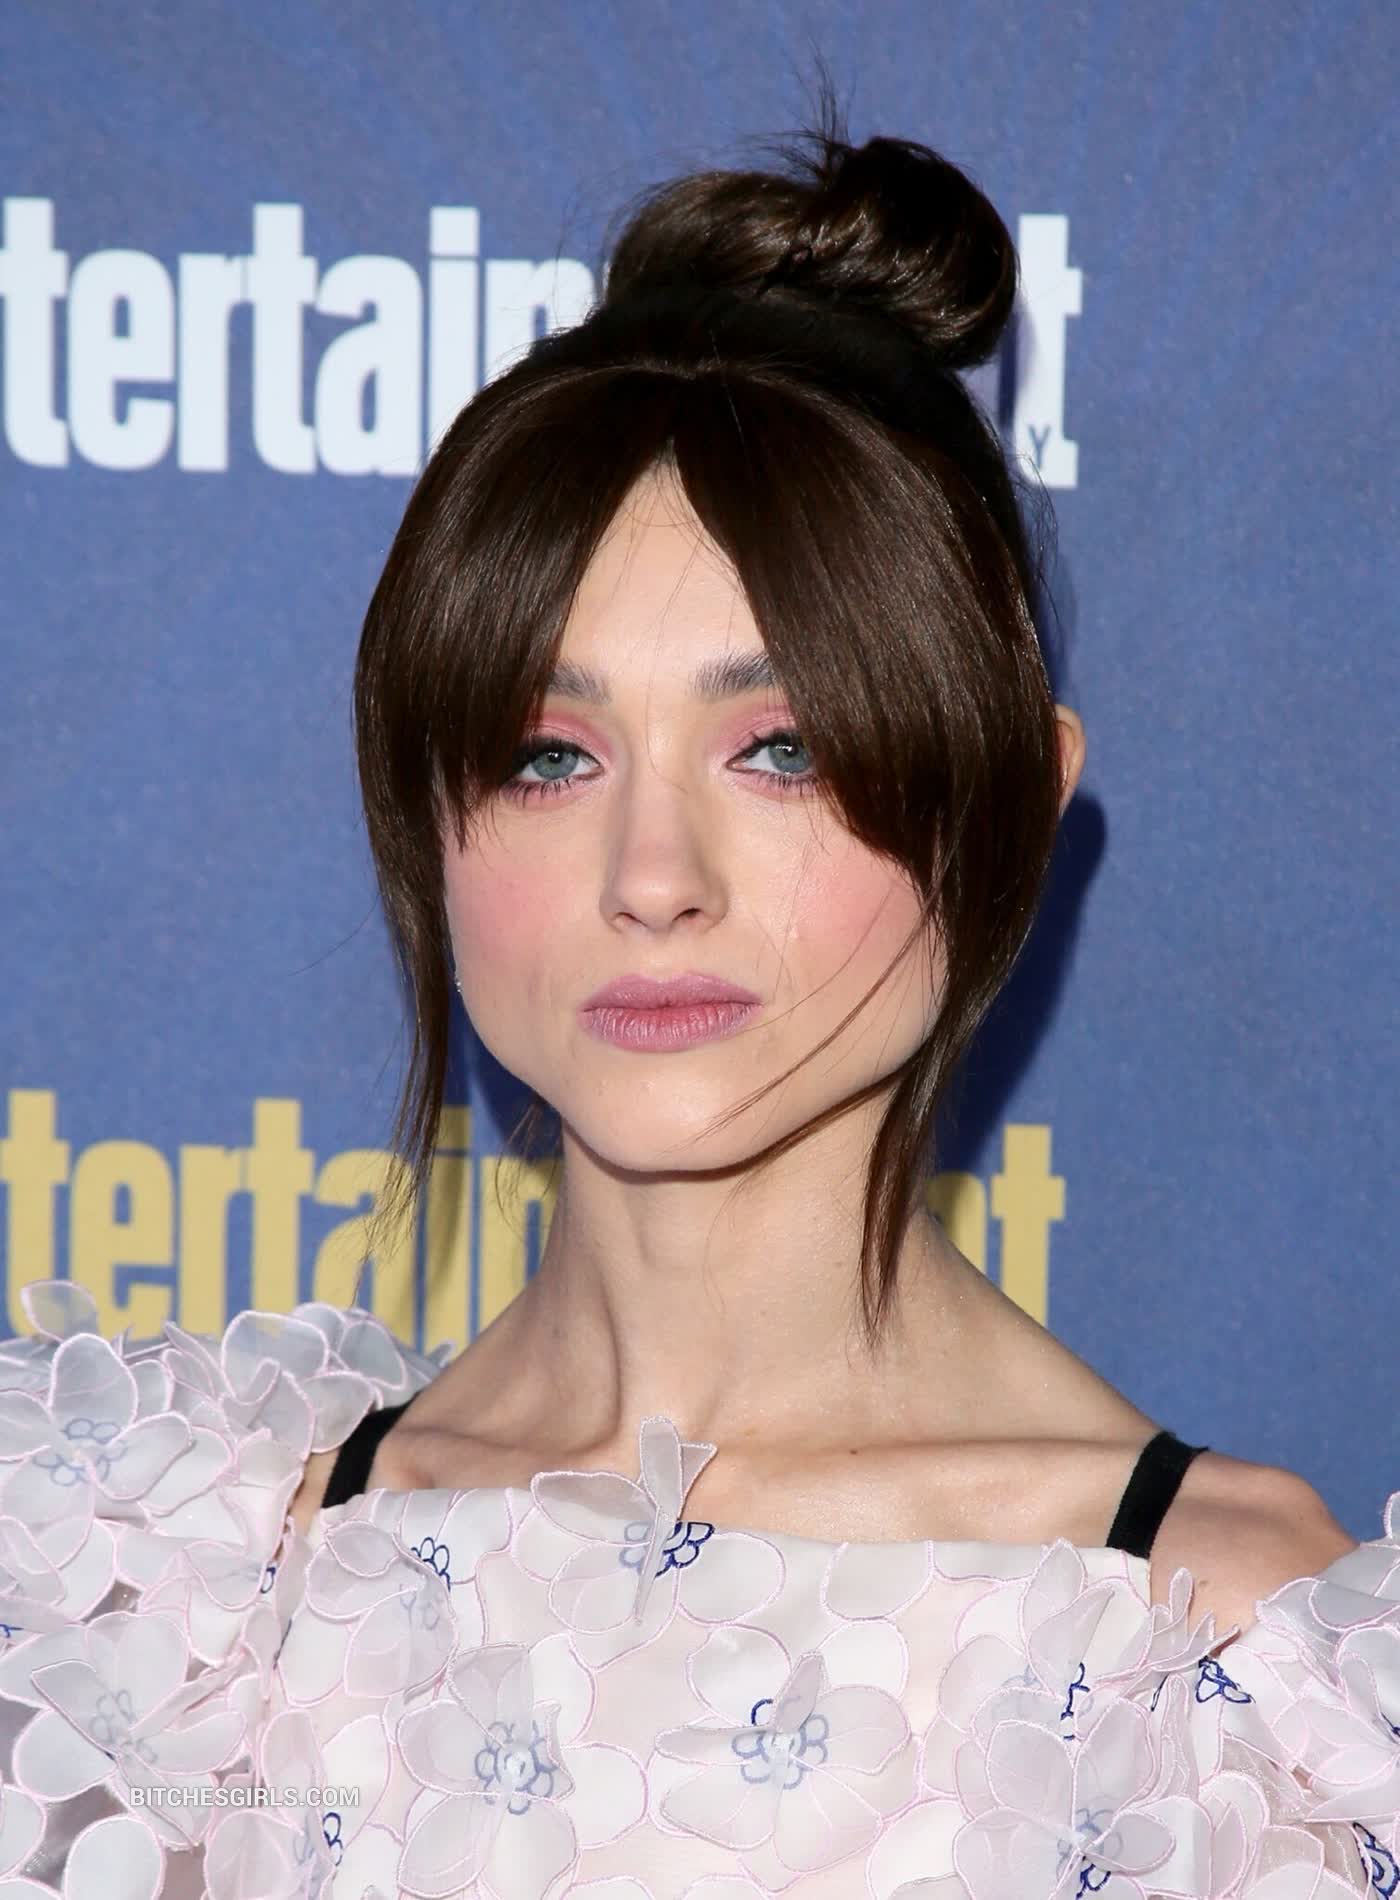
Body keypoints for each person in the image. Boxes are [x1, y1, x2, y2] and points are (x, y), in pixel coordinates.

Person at [1, 110, 1395, 1900]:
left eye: (782, 747)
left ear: (1015, 805)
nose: (653, 875)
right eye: (549, 754)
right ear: (426, 815)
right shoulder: (183, 1608)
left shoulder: (1237, 1662)